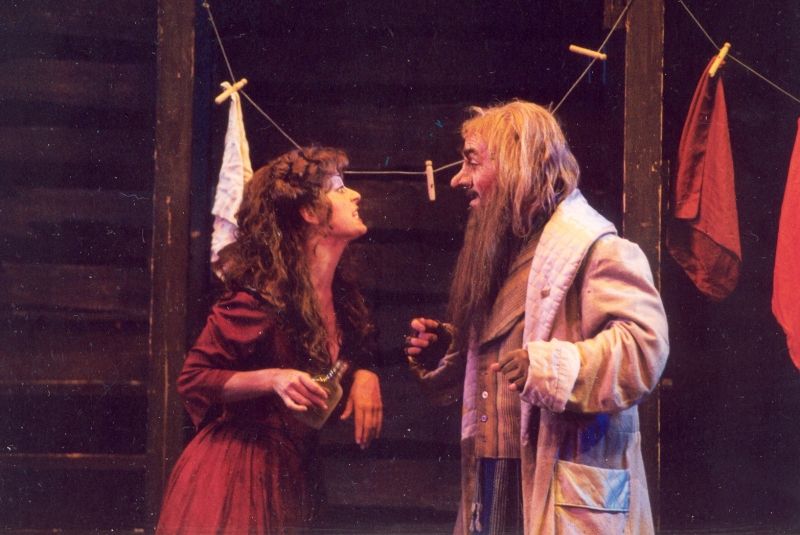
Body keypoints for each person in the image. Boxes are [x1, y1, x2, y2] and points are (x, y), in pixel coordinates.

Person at [405, 101, 669, 534]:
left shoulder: (596, 248)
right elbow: (509, 344)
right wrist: (452, 351)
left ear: (517, 165)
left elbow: (644, 348)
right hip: (493, 478)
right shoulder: (506, 252)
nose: (458, 178)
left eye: (472, 161)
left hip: (558, 482)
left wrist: (550, 366)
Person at [157, 146, 383, 534]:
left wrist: (366, 373)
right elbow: (192, 378)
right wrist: (273, 378)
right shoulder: (260, 300)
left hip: (290, 475)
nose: (355, 195)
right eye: (339, 188)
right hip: (236, 474)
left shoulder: (341, 299)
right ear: (310, 212)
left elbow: (354, 348)